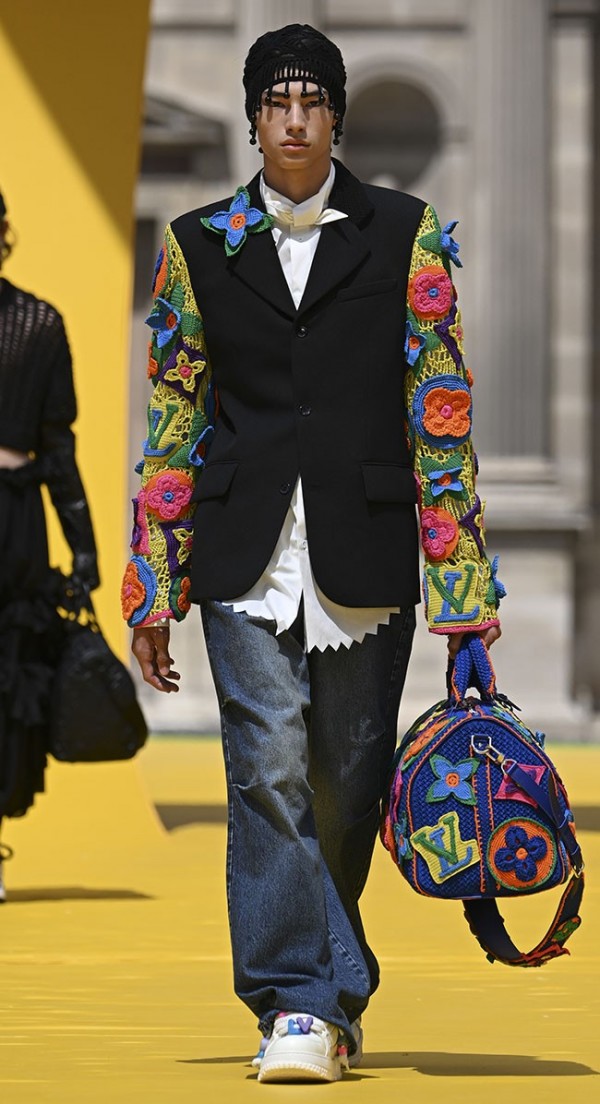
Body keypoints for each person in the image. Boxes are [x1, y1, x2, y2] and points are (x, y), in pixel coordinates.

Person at [123, 24, 502, 1083]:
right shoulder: (195, 244)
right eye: (276, 102)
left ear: (336, 115)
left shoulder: (406, 234)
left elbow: (440, 417)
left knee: (346, 784)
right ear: (253, 118)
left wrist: (465, 595)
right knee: (267, 771)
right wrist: (154, 582)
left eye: (312, 101)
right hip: (243, 553)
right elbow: (173, 423)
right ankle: (296, 1001)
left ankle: (331, 987)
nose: (294, 120)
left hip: (366, 550)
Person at [0, 190, 99, 902]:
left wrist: (82, 546)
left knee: (9, 679)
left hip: (13, 524)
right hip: (16, 518)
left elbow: (59, 447)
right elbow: (59, 449)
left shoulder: (38, 323)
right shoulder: (39, 321)